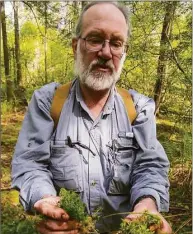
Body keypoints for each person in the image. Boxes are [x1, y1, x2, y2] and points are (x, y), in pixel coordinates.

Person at [11, 2, 172, 234]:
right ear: (76, 46)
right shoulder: (48, 102)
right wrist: (45, 200)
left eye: (116, 43)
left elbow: (150, 166)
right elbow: (30, 163)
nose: (106, 53)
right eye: (95, 39)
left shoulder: (139, 108)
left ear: (123, 52)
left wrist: (147, 205)